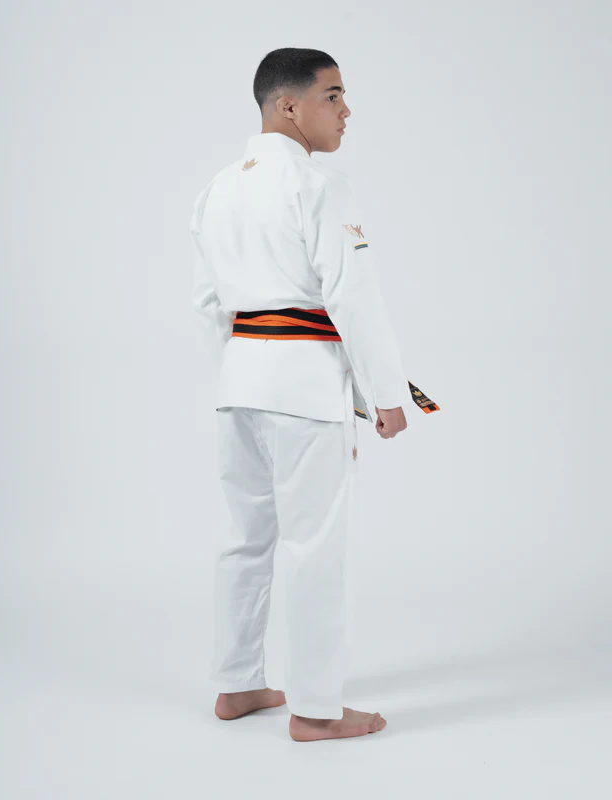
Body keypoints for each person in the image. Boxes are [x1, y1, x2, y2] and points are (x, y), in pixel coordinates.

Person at [190, 48, 415, 742]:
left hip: (240, 385)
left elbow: (207, 303)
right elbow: (353, 294)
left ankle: (237, 684)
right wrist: (386, 393)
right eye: (333, 96)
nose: (346, 112)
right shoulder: (319, 185)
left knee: (243, 540)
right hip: (304, 386)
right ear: (289, 106)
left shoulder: (218, 188)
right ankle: (316, 710)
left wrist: (239, 374)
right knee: (315, 547)